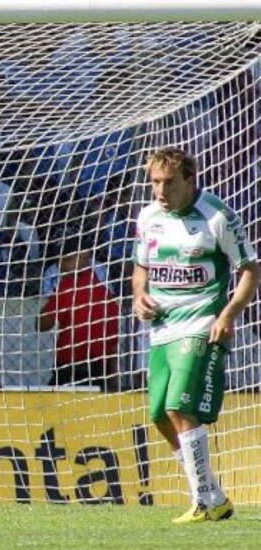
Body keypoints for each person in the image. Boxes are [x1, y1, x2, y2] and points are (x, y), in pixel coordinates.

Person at [132, 147, 257, 523]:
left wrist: (228, 314)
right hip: (162, 329)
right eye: (155, 182)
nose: (160, 190)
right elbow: (141, 267)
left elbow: (250, 270)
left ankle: (205, 500)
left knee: (179, 407)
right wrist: (139, 295)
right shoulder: (148, 216)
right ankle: (211, 496)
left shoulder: (217, 216)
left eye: (168, 182)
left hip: (202, 323)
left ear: (190, 179)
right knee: (159, 416)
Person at [38, 233, 121, 392]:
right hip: (100, 368)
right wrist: (113, 375)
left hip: (70, 367)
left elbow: (42, 324)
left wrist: (53, 299)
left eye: (62, 259)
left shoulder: (68, 288)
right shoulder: (104, 292)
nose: (59, 264)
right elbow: (112, 343)